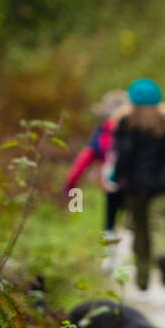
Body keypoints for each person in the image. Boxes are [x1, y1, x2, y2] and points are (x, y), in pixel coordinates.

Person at [112, 78, 165, 291]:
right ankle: (163, 255)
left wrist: (116, 178)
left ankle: (142, 281)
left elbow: (123, 158)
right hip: (164, 188)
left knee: (139, 232)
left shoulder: (125, 124)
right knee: (157, 226)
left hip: (135, 189)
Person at [63, 90, 128, 240]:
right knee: (131, 218)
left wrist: (71, 182)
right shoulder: (134, 128)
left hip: (110, 181)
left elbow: (86, 156)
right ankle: (131, 253)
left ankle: (108, 256)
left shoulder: (103, 130)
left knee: (110, 218)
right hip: (134, 182)